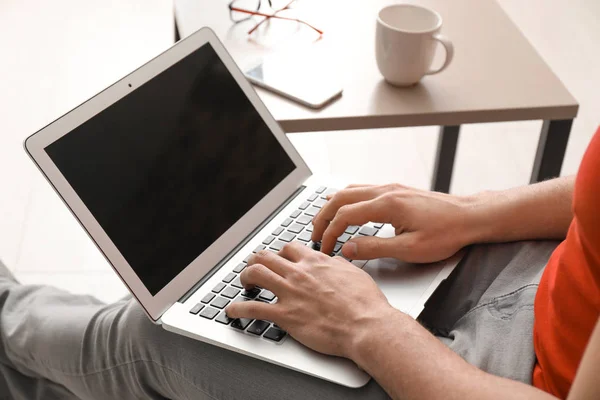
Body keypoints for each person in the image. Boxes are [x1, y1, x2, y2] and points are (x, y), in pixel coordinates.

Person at [0, 128, 598, 400]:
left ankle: (7, 313)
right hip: (542, 266)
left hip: (514, 380)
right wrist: (470, 213)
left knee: (148, 335)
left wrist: (369, 325)